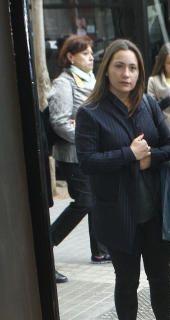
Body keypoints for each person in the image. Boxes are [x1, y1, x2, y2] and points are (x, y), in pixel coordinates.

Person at [76, 39, 170, 320]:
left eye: (133, 67)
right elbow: (87, 162)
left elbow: (169, 147)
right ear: (106, 69)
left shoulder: (150, 105)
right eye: (119, 66)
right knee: (127, 280)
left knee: (160, 276)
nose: (126, 73)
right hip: (117, 213)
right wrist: (129, 155)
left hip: (153, 211)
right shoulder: (90, 113)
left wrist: (147, 159)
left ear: (140, 72)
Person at [48, 34, 110, 273]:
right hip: (73, 154)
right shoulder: (63, 83)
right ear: (70, 56)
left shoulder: (91, 80)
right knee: (84, 201)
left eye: (91, 52)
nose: (90, 57)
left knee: (95, 199)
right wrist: (86, 139)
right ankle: (48, 243)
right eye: (85, 53)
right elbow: (60, 121)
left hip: (91, 153)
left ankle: (100, 251)